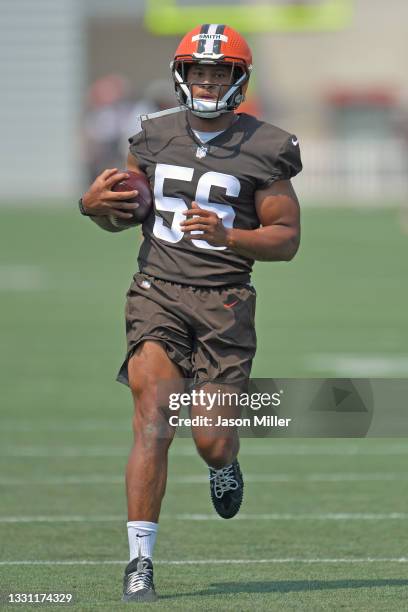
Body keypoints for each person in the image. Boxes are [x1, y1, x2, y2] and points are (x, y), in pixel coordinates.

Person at [79, 24, 302, 603]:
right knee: (154, 419)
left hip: (224, 303)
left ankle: (224, 463)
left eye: (219, 72)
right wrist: (91, 206)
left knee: (211, 440)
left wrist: (232, 236)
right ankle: (140, 562)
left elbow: (286, 239)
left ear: (238, 78)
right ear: (182, 76)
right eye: (199, 72)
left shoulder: (267, 144)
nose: (207, 82)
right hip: (156, 290)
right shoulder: (151, 136)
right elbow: (123, 214)